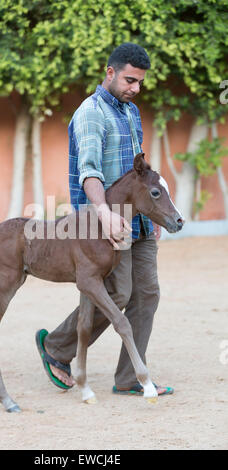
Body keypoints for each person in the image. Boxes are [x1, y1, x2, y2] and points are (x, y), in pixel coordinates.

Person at [36, 43, 173, 397]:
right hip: (104, 224)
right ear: (109, 72)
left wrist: (155, 211)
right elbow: (89, 172)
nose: (135, 88)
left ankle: (130, 377)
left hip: (137, 220)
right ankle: (56, 348)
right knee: (118, 290)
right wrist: (105, 214)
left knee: (148, 293)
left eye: (140, 82)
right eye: (130, 80)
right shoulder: (90, 113)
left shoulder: (131, 111)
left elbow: (140, 170)